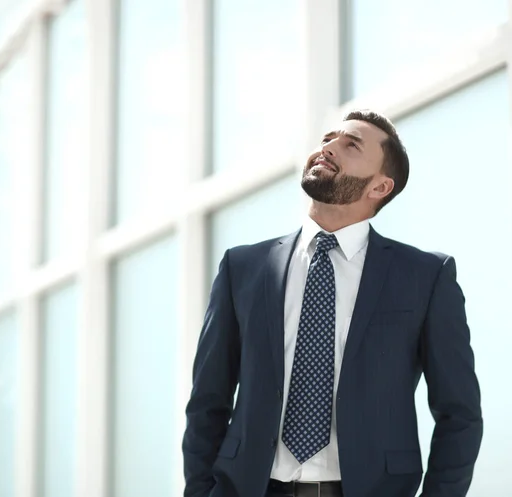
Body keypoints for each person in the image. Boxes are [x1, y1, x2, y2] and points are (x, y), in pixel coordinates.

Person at [182, 109, 483, 497]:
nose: (328, 148)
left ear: (379, 187)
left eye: (350, 145)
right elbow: (207, 402)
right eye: (327, 138)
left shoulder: (425, 277)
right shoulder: (243, 268)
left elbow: (459, 415)